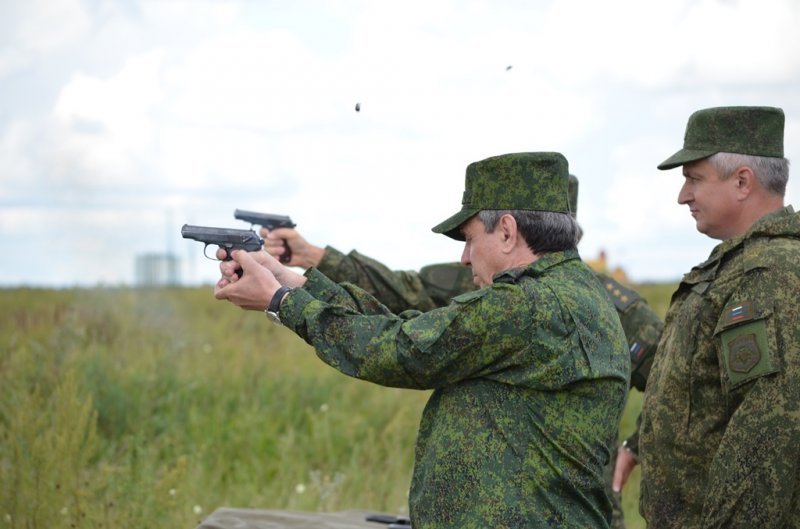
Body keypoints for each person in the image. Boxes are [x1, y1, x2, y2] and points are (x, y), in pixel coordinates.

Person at [213, 152, 631, 528]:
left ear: (506, 231)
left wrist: (281, 301)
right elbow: (412, 330)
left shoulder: (527, 306)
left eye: (469, 239)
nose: (465, 258)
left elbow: (400, 350)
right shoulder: (568, 295)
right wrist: (295, 281)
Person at [633, 106, 800, 528]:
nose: (683, 195)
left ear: (742, 181)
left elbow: (767, 438)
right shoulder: (740, 267)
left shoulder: (770, 276)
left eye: (694, 178)